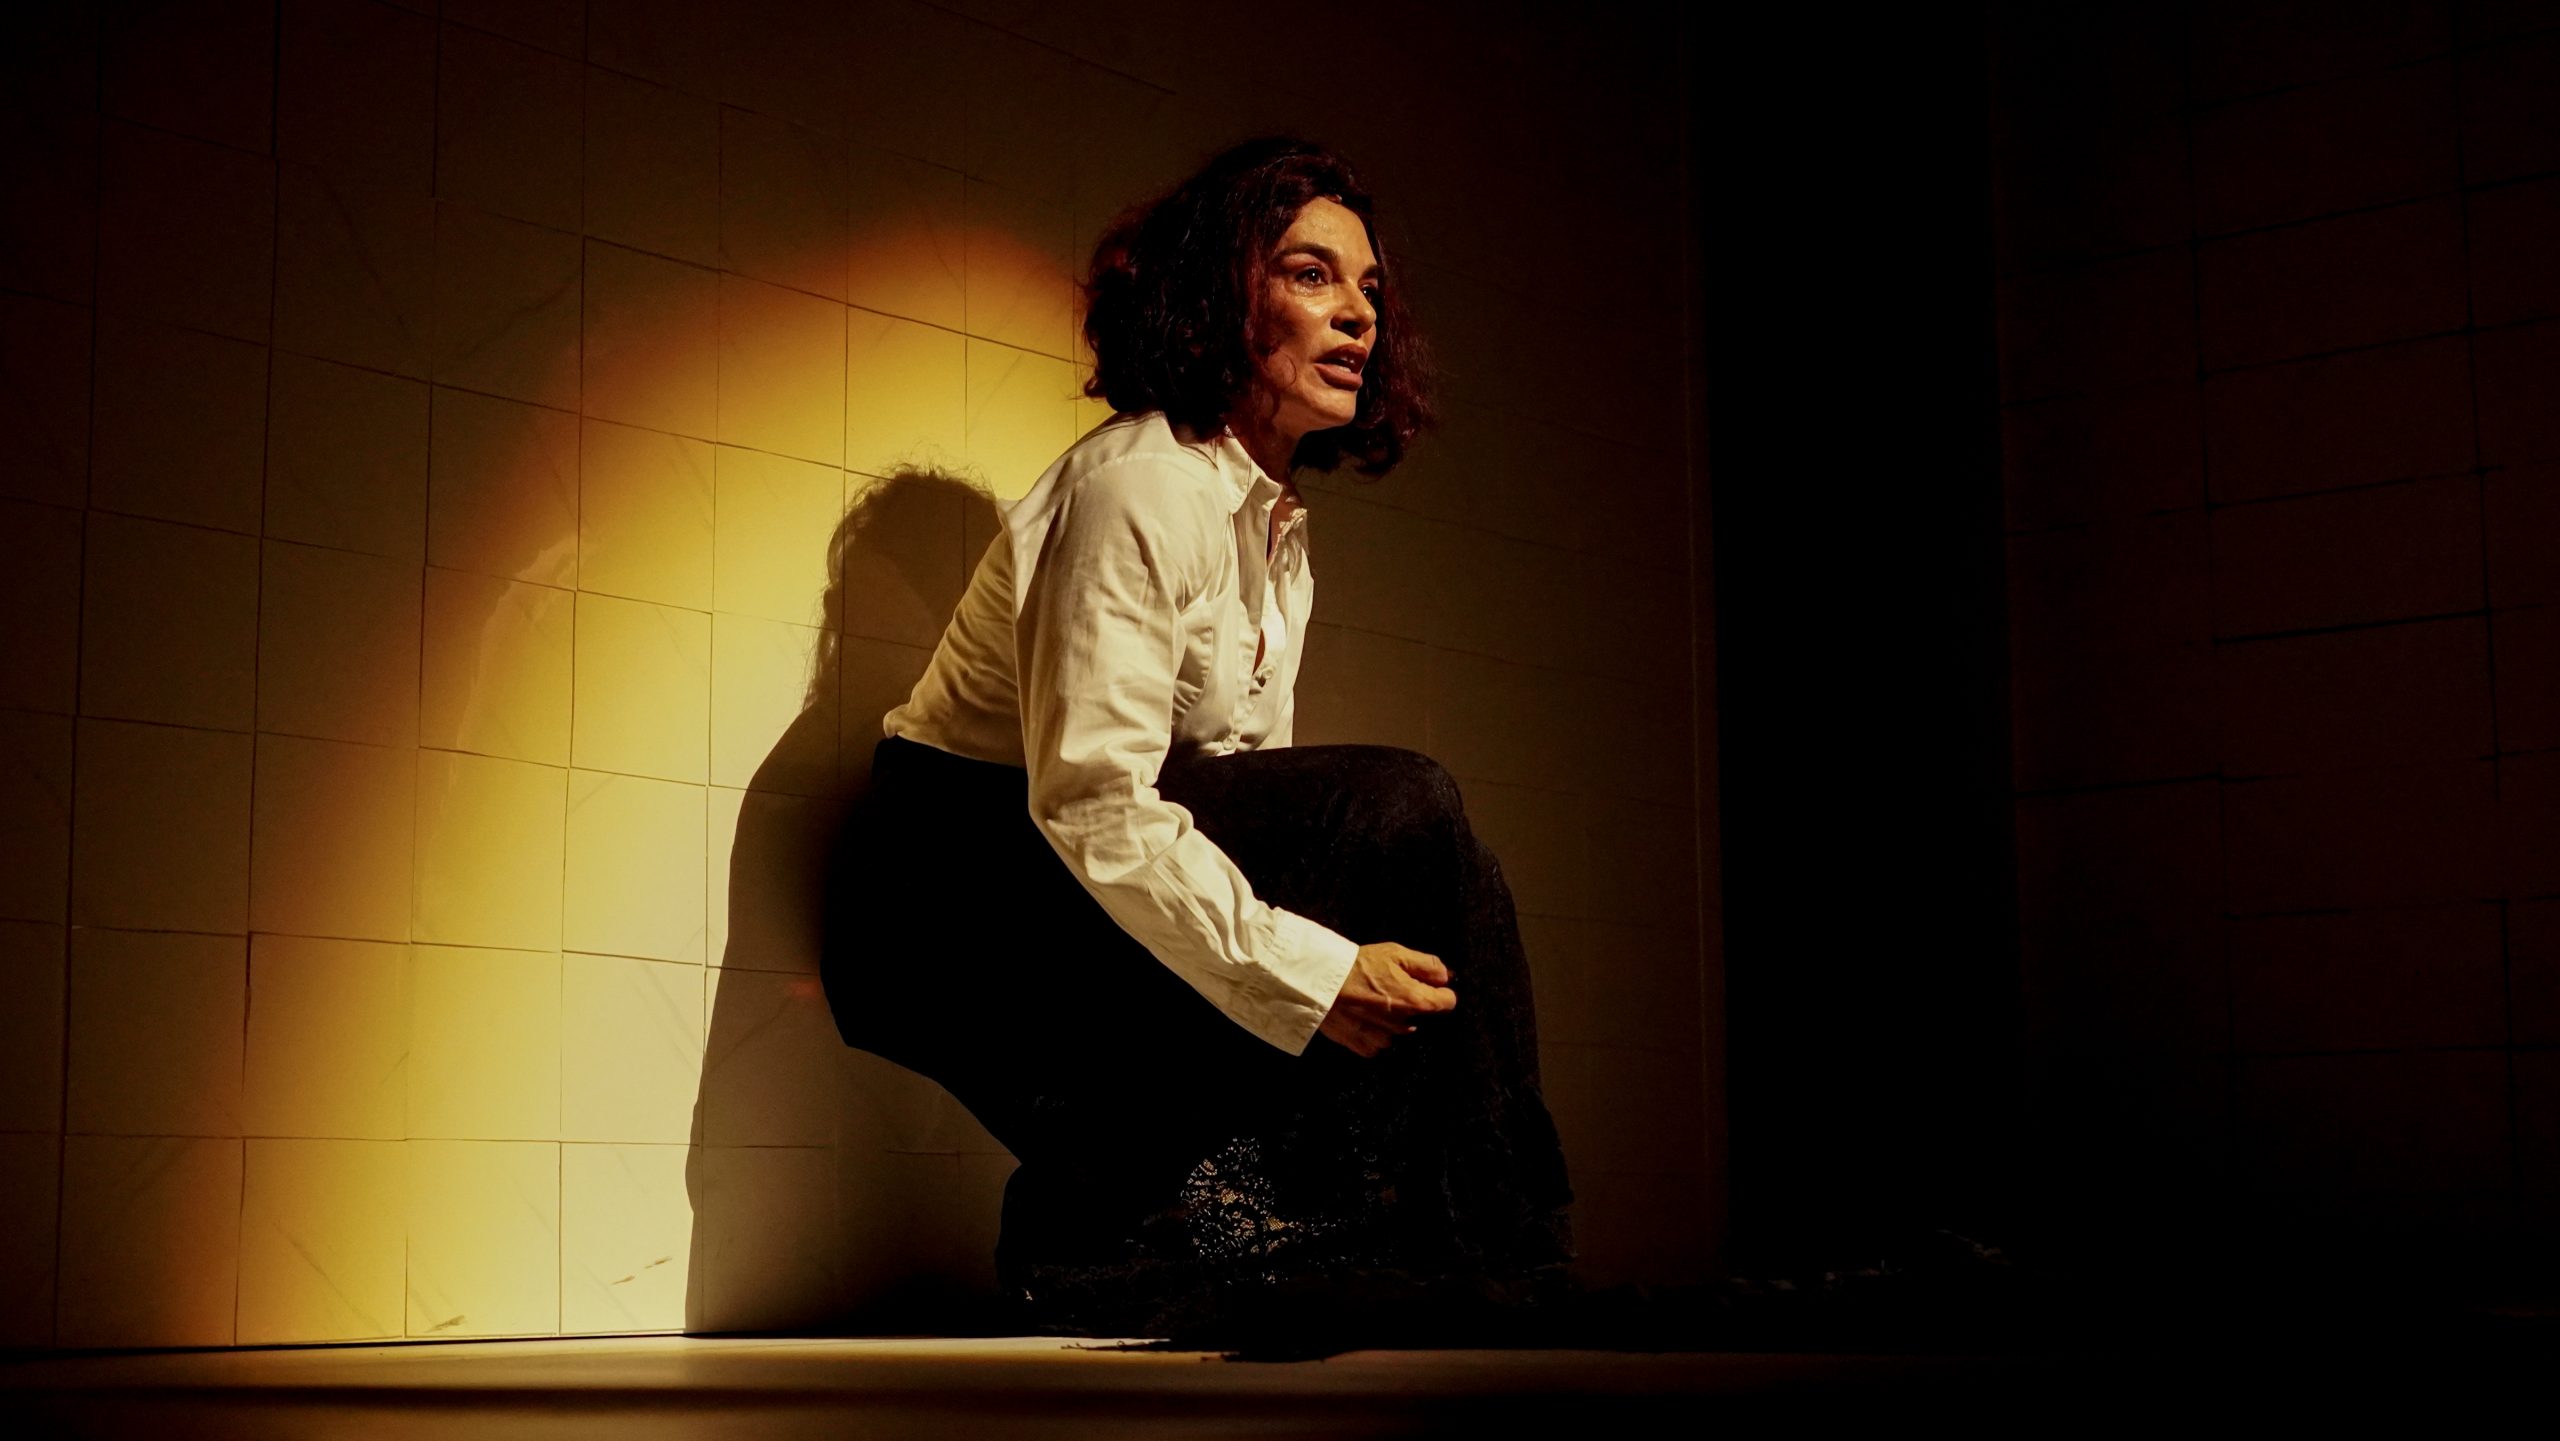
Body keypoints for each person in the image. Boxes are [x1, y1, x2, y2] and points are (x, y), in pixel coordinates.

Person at [820, 135, 1574, 1342]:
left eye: (1369, 288)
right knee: (1399, 808)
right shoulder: (1139, 487)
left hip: (1055, 875)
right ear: (1221, 295)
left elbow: (1236, 806)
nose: (1359, 315)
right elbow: (1093, 804)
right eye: (1311, 275)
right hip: (946, 899)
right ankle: (1486, 1240)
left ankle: (1203, 1226)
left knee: (1438, 859)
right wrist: (1313, 973)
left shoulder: (1271, 531)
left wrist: (1319, 963)